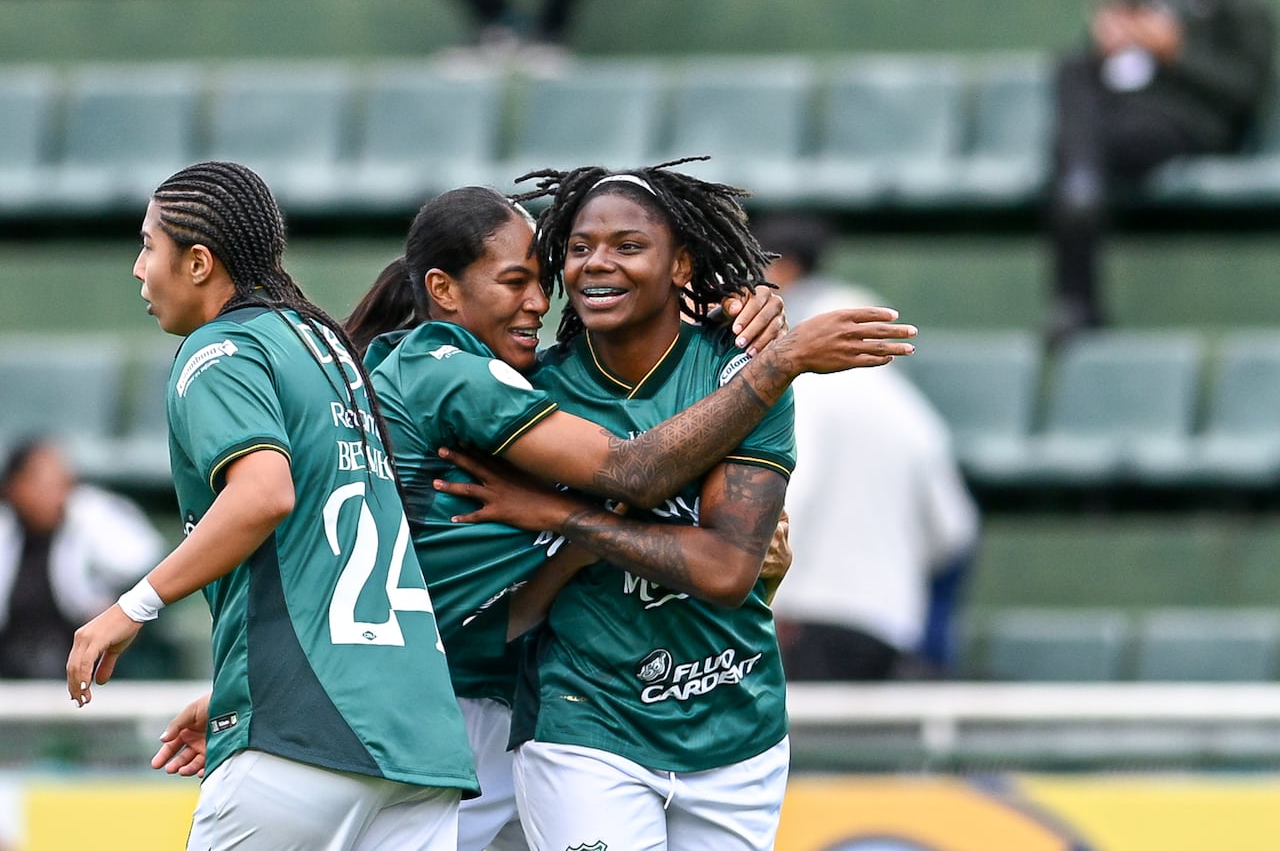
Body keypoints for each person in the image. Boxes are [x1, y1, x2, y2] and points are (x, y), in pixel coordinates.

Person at [341, 185, 915, 851]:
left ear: (681, 266)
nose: (593, 264)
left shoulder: (736, 370)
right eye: (579, 249)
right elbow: (622, 489)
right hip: (560, 719)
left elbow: (729, 571)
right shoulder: (528, 392)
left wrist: (568, 520)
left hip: (730, 722)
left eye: (629, 245)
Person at [65, 160, 477, 851]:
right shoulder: (325, 349)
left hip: (306, 732)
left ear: (198, 262)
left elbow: (264, 494)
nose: (138, 269)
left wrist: (129, 606)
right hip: (417, 746)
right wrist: (240, 686)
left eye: (148, 246)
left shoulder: (219, 349)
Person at [753, 212, 981, 681]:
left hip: (799, 620)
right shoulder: (908, 406)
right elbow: (954, 531)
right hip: (886, 629)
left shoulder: (795, 388)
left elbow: (784, 499)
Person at [1047, 0, 1274, 340]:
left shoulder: (1241, 10)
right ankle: (1081, 185)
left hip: (1189, 125)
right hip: (1117, 119)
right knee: (1074, 71)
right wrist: (1109, 43)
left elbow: (1245, 89)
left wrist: (1175, 52)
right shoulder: (1141, 3)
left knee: (1097, 142)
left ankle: (1080, 182)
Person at [0, 437, 165, 679]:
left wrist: (116, 605)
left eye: (63, 483)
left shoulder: (97, 517)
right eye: (45, 484)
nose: (59, 495)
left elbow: (146, 563)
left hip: (90, 663)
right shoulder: (5, 529)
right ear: (15, 488)